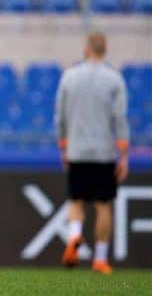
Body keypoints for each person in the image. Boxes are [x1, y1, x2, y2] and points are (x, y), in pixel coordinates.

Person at [55, 32, 129, 275]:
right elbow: (120, 119)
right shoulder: (114, 79)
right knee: (103, 205)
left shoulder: (70, 76)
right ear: (104, 50)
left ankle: (74, 236)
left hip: (77, 150)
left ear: (86, 48)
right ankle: (99, 259)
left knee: (76, 202)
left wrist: (64, 147)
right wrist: (124, 154)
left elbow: (60, 117)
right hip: (103, 152)